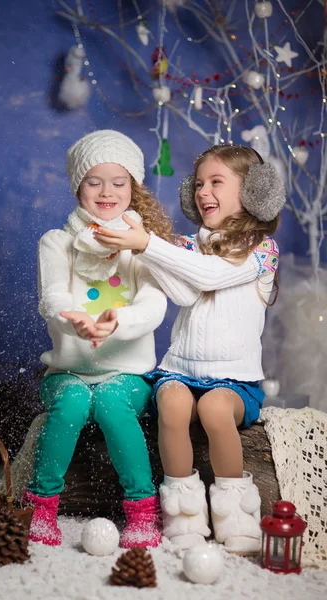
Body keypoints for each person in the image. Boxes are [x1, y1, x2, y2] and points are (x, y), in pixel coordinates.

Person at [93, 144, 285, 556]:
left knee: (215, 409)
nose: (202, 191)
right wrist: (137, 234)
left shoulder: (261, 249)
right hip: (179, 371)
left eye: (216, 182)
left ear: (254, 193)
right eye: (198, 183)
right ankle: (184, 513)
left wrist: (148, 244)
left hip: (235, 382)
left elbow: (210, 275)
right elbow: (184, 290)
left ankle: (236, 514)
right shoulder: (188, 245)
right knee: (174, 404)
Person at [22, 130, 173, 548]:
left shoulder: (143, 247)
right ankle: (41, 506)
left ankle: (143, 511)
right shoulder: (57, 242)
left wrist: (116, 322)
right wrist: (73, 319)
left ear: (132, 188)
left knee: (109, 400)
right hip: (68, 370)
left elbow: (153, 306)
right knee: (71, 399)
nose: (106, 191)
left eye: (118, 182)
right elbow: (52, 297)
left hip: (126, 374)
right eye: (94, 181)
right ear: (78, 186)